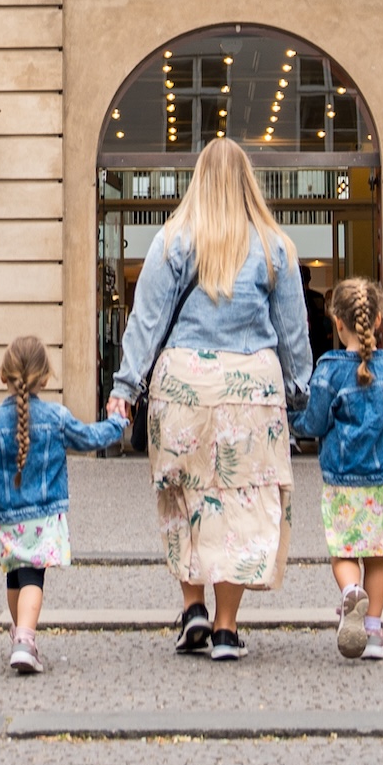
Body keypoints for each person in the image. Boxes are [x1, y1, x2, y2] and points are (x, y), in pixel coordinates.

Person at [106, 137, 313, 663]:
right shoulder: (275, 245)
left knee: (183, 495)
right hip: (251, 388)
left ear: (198, 178)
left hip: (184, 385)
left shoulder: (173, 239)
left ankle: (192, 606)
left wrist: (124, 388)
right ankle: (225, 628)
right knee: (242, 504)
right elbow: (294, 332)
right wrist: (298, 390)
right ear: (249, 181)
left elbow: (145, 322)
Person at [0, 334, 126, 674]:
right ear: (46, 377)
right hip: (43, 516)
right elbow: (90, 438)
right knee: (33, 578)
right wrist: (118, 423)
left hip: (4, 517)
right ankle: (25, 639)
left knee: (14, 576)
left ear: (3, 376)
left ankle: (21, 635)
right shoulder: (57, 417)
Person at [294, 277, 383, 662]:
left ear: (337, 323)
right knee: (379, 556)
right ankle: (373, 631)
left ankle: (351, 593)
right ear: (379, 320)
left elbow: (313, 424)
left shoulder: (329, 370)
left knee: (344, 551)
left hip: (341, 482)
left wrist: (291, 420)